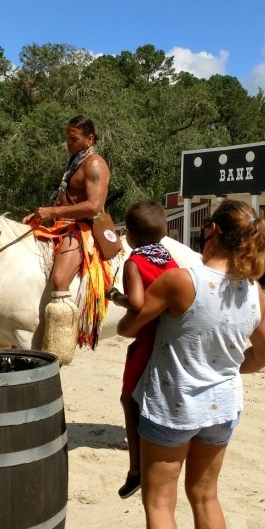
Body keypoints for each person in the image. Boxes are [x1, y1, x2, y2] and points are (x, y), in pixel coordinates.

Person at [117, 199, 265, 529]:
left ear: (214, 230)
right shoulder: (254, 290)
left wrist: (131, 306)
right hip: (223, 407)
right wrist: (227, 368)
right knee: (205, 496)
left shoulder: (181, 281)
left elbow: (129, 328)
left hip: (174, 406)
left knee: (159, 503)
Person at [23, 116, 112, 360]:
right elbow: (65, 197)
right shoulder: (76, 161)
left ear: (89, 138)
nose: (68, 144)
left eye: (73, 139)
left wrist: (51, 212)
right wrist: (40, 215)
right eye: (67, 139)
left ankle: (58, 348)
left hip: (81, 230)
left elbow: (95, 206)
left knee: (60, 279)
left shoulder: (94, 164)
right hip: (62, 226)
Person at [107, 200, 178, 500]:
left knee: (128, 399)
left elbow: (137, 303)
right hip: (169, 337)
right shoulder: (169, 259)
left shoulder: (135, 261)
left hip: (147, 339)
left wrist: (116, 297)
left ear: (130, 235)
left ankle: (135, 469)